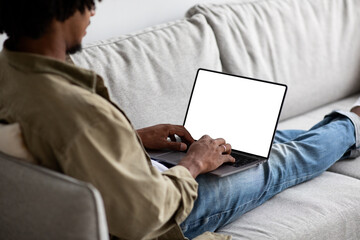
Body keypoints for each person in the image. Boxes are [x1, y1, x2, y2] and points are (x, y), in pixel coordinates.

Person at [1, 0, 360, 239]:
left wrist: (132, 137)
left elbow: (60, 144)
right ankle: (352, 125)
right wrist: (192, 164)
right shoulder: (78, 110)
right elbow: (144, 216)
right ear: (60, 6)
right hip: (168, 216)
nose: (94, 11)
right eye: (89, 1)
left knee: (264, 141)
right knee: (278, 162)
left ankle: (329, 131)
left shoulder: (11, 73)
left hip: (140, 175)